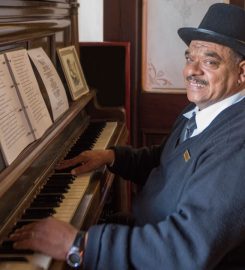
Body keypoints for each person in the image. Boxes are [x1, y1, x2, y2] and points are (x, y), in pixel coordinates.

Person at [10, 3, 245, 269]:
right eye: (190, 58)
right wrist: (113, 157)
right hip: (149, 232)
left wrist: (79, 245)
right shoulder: (201, 109)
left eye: (209, 62)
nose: (191, 70)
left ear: (242, 72)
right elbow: (166, 161)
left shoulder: (236, 145)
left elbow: (184, 250)